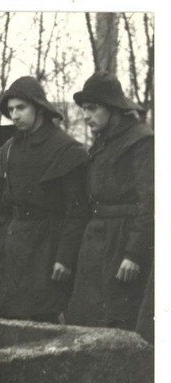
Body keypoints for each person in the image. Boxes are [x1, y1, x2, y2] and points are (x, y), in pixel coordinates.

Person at [0, 76, 89, 322]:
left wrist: (65, 258)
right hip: (12, 248)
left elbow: (76, 212)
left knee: (41, 324)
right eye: (10, 110)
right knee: (2, 322)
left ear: (39, 107)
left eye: (21, 108)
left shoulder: (65, 148)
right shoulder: (9, 149)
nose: (15, 115)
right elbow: (2, 206)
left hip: (46, 251)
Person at [65, 72, 153, 333]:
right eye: (84, 109)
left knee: (119, 321)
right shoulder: (102, 144)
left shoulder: (142, 141)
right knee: (86, 320)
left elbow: (152, 203)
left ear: (113, 109)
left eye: (92, 108)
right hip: (96, 241)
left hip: (123, 244)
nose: (86, 115)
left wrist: (134, 253)